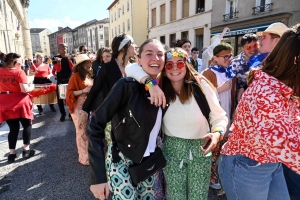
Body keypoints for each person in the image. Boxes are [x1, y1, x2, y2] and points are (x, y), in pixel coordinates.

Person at [125, 48, 228, 199]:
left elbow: (219, 117)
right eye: (169, 65)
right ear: (164, 68)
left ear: (187, 65)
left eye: (179, 64)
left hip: (201, 147)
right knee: (175, 196)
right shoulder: (158, 86)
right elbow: (130, 68)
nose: (174, 69)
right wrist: (150, 83)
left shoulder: (201, 85)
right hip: (172, 148)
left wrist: (217, 133)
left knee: (198, 196)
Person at [218, 24, 300, 200]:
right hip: (247, 165)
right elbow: (288, 145)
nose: (258, 41)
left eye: (265, 37)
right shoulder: (267, 91)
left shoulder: (286, 87)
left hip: (271, 161)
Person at [87, 39, 165, 200]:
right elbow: (95, 125)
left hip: (149, 160)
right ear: (139, 59)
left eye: (160, 54)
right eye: (149, 54)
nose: (155, 58)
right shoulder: (126, 85)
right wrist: (98, 177)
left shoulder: (166, 86)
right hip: (122, 159)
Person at [78, 34, 137, 129]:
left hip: (133, 116)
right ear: (122, 48)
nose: (135, 46)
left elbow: (148, 82)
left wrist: (153, 85)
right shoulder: (108, 68)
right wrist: (84, 111)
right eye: (132, 43)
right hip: (114, 118)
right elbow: (95, 89)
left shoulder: (135, 66)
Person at [202, 43, 236, 190]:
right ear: (215, 58)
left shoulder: (230, 72)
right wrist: (219, 89)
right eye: (225, 56)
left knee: (223, 148)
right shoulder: (208, 73)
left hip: (227, 115)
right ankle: (211, 176)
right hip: (214, 118)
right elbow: (203, 96)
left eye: (230, 56)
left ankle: (219, 174)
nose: (228, 59)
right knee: (214, 148)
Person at [0, 52, 35, 163]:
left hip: (5, 101)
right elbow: (24, 89)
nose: (21, 64)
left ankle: (11, 154)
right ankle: (26, 150)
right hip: (20, 101)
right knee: (26, 125)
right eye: (19, 63)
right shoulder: (19, 72)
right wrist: (32, 86)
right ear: (13, 62)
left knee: (13, 128)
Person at [66, 54, 93, 166]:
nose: (89, 64)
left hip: (88, 106)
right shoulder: (75, 76)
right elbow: (70, 93)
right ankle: (84, 158)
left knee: (87, 131)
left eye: (89, 62)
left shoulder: (88, 75)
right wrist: (84, 90)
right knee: (81, 131)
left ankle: (88, 155)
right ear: (81, 65)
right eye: (87, 62)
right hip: (78, 107)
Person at [230, 33, 259, 102]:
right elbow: (230, 83)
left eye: (255, 45)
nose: (252, 49)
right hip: (239, 101)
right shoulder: (234, 63)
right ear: (242, 49)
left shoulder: (262, 61)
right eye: (248, 47)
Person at [52, 43, 74, 122]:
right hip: (60, 81)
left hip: (69, 80)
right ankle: (63, 114)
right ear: (59, 49)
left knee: (70, 98)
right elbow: (58, 70)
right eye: (62, 47)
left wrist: (70, 60)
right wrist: (58, 62)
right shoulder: (55, 58)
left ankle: (71, 113)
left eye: (65, 47)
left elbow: (73, 69)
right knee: (60, 99)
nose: (64, 48)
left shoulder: (70, 57)